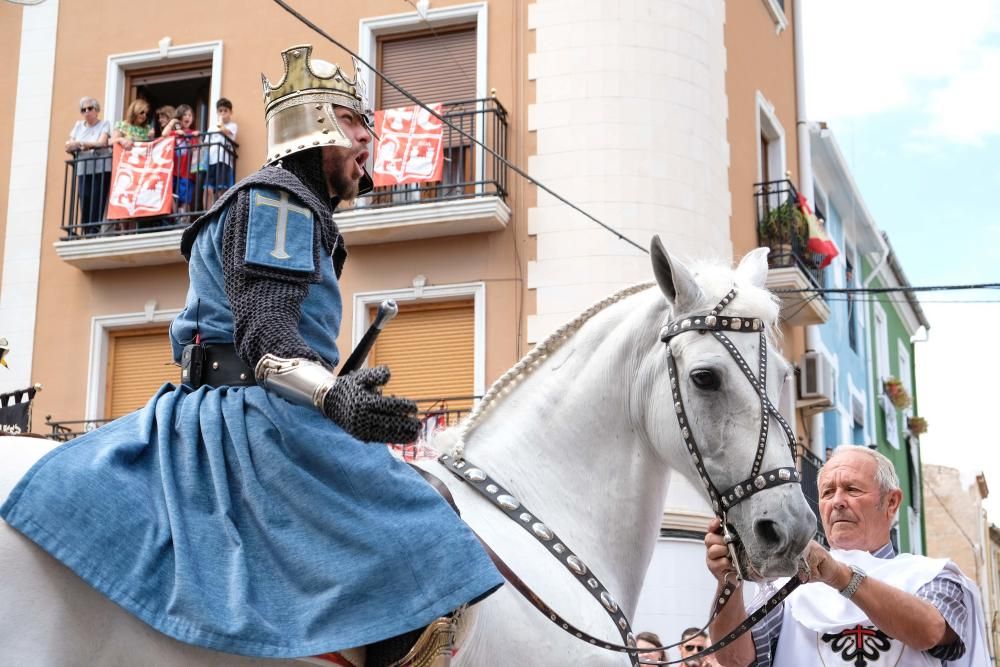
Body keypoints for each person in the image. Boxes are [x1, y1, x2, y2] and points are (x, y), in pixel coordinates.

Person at [0, 44, 502, 667]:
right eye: (353, 121)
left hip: (232, 402)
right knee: (425, 531)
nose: (368, 136)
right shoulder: (280, 201)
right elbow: (266, 336)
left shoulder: (275, 201)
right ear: (315, 123)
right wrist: (334, 394)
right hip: (253, 414)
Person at [704, 445, 988, 666]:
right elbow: (734, 657)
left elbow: (929, 631)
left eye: (852, 489)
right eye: (828, 492)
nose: (837, 501)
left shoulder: (932, 575)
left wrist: (839, 576)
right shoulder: (787, 588)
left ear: (891, 502)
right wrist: (729, 582)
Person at [65, 96, 112, 234]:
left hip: (101, 168)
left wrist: (81, 144)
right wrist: (76, 145)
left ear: (96, 110)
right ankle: (87, 230)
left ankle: (94, 230)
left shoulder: (104, 124)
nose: (86, 112)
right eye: (83, 109)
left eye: (89, 108)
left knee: (97, 197)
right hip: (83, 168)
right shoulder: (78, 125)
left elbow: (102, 143)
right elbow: (69, 145)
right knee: (84, 198)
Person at [161, 103, 198, 217]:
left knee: (185, 198)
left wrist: (193, 136)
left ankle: (184, 219)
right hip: (173, 172)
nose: (188, 117)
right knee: (171, 194)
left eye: (190, 115)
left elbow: (196, 150)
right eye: (185, 115)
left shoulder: (193, 134)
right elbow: (164, 134)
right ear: (179, 117)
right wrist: (173, 123)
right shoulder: (173, 133)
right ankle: (176, 217)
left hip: (187, 173)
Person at [204, 97, 237, 207]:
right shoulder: (211, 128)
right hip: (211, 162)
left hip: (224, 162)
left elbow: (226, 132)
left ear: (230, 112)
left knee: (221, 189)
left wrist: (220, 122)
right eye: (220, 111)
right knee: (208, 190)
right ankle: (207, 213)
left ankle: (219, 212)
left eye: (225, 111)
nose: (222, 113)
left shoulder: (233, 126)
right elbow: (206, 144)